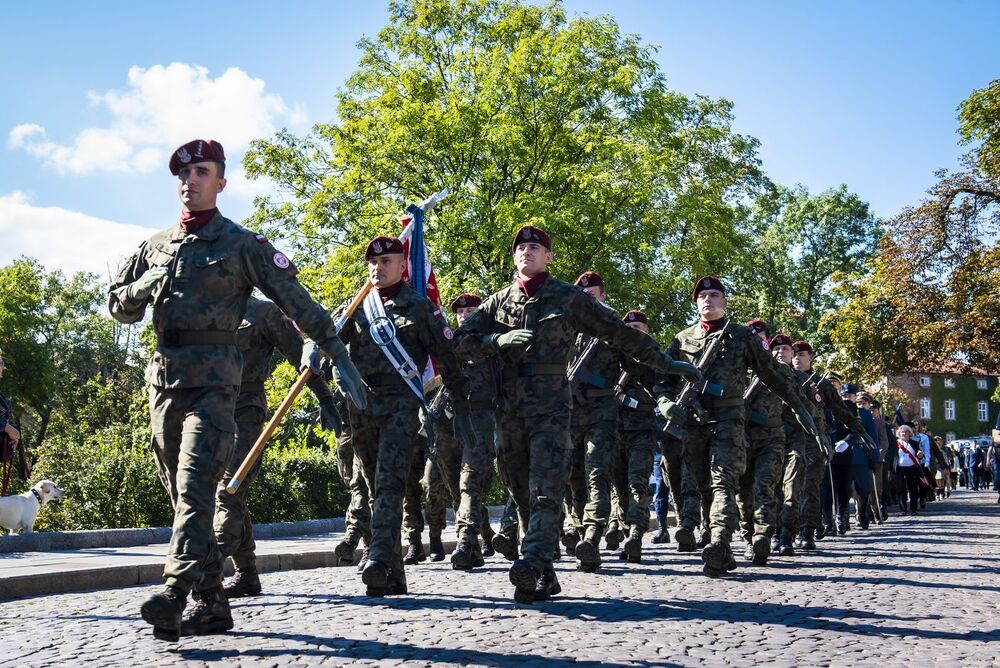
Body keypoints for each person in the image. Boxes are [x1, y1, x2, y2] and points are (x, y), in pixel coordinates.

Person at [109, 139, 364, 642]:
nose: (191, 181)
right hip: (164, 383)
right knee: (183, 498)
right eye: (184, 175)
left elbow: (296, 301)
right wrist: (142, 287)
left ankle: (175, 592)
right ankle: (212, 603)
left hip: (216, 387)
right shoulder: (154, 245)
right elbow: (119, 305)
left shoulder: (242, 244)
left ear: (221, 183)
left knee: (196, 489)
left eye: (202, 172)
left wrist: (338, 353)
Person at [454, 225, 699, 602]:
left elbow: (619, 333)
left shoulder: (568, 297)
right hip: (510, 409)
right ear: (514, 256)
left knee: (546, 487)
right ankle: (545, 572)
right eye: (521, 247)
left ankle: (532, 561)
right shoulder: (497, 303)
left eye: (535, 247)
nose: (526, 251)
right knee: (519, 488)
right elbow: (458, 343)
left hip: (552, 408)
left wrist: (665, 363)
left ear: (548, 257)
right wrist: (495, 340)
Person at [655, 278, 820, 577]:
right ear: (695, 303)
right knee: (703, 484)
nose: (708, 300)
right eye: (702, 296)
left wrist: (798, 407)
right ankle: (716, 537)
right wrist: (665, 401)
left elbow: (771, 374)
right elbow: (665, 378)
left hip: (729, 420)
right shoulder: (682, 338)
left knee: (724, 481)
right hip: (693, 424)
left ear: (725, 301)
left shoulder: (742, 336)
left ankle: (720, 543)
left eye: (714, 295)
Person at [337, 235, 470, 596]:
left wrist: (463, 410)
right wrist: (315, 350)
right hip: (361, 404)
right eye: (372, 263)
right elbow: (328, 339)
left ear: (401, 265)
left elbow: (448, 358)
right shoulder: (357, 305)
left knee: (389, 481)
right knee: (370, 482)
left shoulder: (420, 308)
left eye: (385, 262)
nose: (377, 269)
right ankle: (393, 575)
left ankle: (379, 557)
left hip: (400, 403)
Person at [217, 297, 342, 599]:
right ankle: (247, 574)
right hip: (203, 413)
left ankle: (203, 568)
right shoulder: (201, 305)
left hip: (245, 412)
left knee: (229, 489)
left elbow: (301, 356)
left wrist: (325, 399)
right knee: (221, 495)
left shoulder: (262, 312)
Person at [447, 293, 502, 569]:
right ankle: (483, 538)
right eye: (460, 312)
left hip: (484, 421)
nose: (464, 316)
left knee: (470, 482)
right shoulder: (449, 345)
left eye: (470, 311)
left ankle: (466, 541)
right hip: (452, 423)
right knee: (455, 488)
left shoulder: (492, 345)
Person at [737, 323, 796, 565]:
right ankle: (748, 539)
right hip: (741, 438)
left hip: (771, 439)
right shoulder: (735, 366)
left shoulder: (780, 371)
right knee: (744, 494)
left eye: (760, 338)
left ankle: (762, 536)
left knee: (765, 488)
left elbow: (795, 403)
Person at [609, 309, 660, 564]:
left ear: (646, 331)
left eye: (638, 328)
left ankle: (637, 534)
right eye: (629, 328)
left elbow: (662, 388)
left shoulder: (653, 356)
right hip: (613, 430)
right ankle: (627, 531)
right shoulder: (611, 354)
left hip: (642, 429)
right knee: (619, 488)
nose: (633, 332)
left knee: (637, 483)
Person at [894, 425, 923, 515]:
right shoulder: (896, 443)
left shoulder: (914, 443)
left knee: (913, 489)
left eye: (906, 432)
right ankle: (903, 510)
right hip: (900, 469)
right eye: (902, 432)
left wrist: (920, 454)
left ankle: (914, 509)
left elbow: (919, 454)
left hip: (912, 468)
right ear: (899, 433)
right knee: (901, 489)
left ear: (909, 433)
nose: (904, 434)